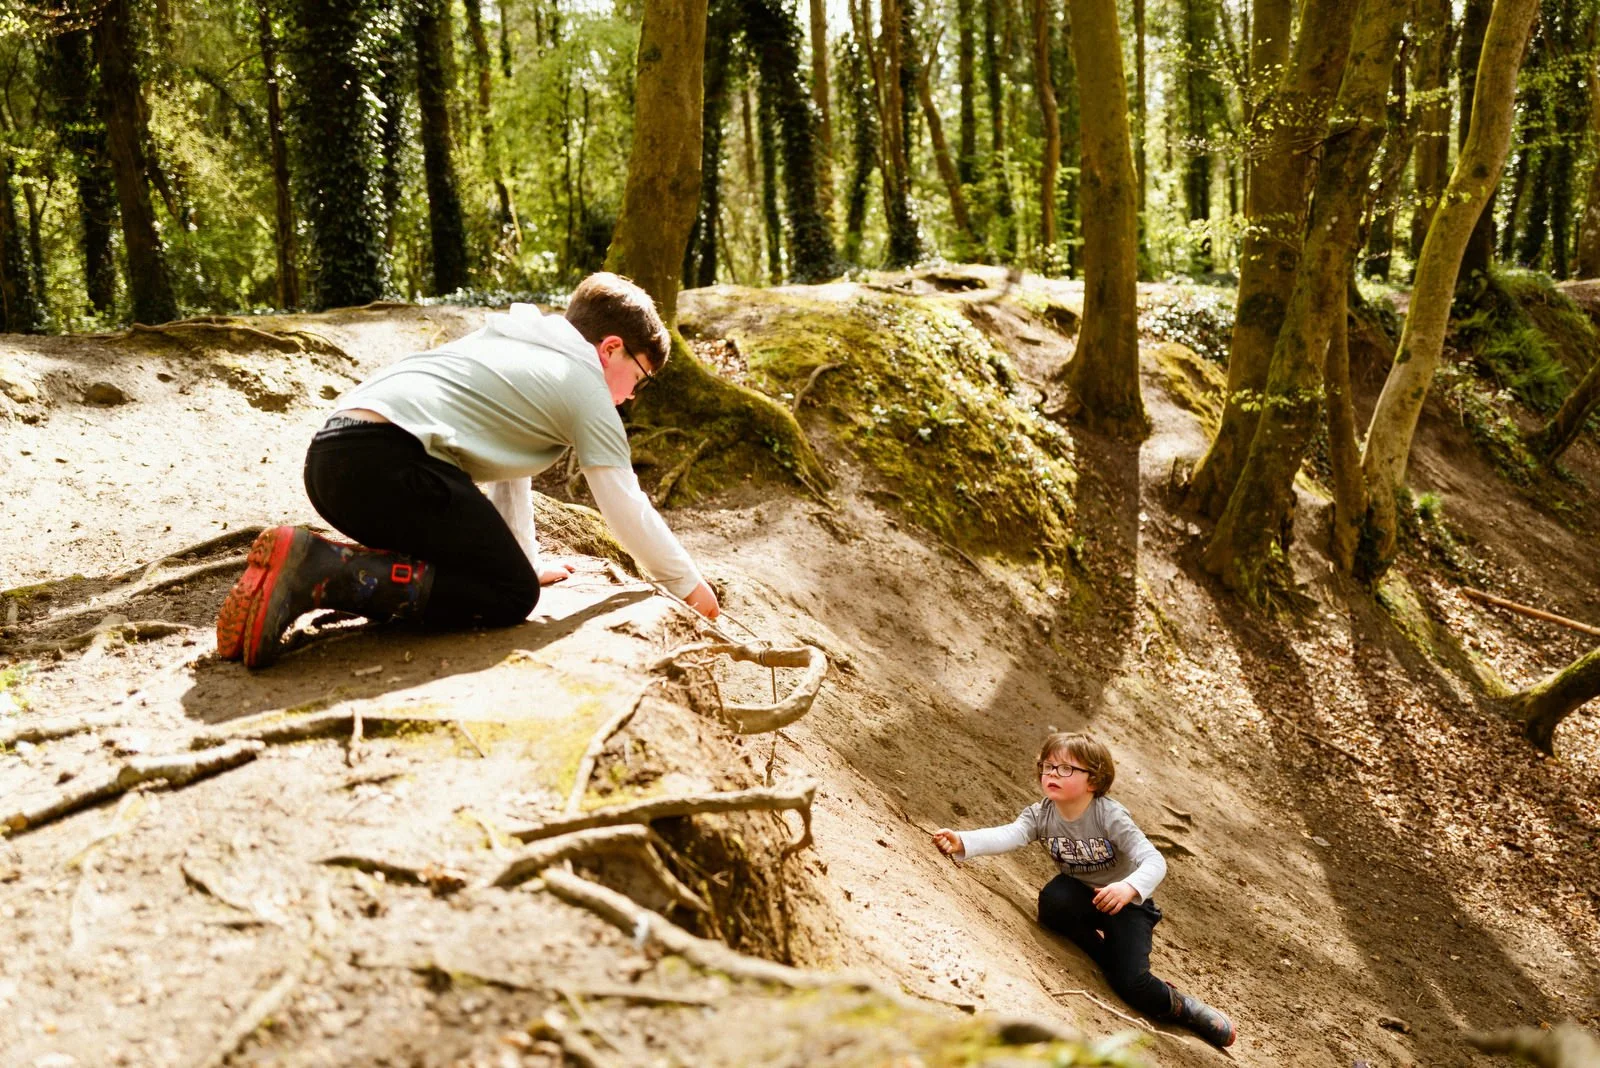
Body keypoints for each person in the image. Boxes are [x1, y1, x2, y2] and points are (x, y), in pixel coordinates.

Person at [216, 272, 719, 669]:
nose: (632, 395)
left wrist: (523, 557)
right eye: (640, 377)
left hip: (333, 460)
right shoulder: (584, 385)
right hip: (386, 462)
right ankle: (320, 570)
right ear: (610, 348)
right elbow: (623, 501)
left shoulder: (518, 345)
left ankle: (299, 579)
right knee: (509, 596)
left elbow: (509, 462)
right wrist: (688, 586)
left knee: (508, 577)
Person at [932, 732, 1236, 1048]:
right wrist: (964, 841)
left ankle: (1181, 1006)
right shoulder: (1042, 814)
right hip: (1080, 893)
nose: (1051, 774)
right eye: (1047, 767)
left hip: (1126, 904)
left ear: (1094, 780)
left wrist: (1129, 887)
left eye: (1065, 769)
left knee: (1133, 984)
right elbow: (1010, 834)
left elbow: (1154, 860)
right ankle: (1108, 958)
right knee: (1052, 904)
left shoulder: (1109, 815)